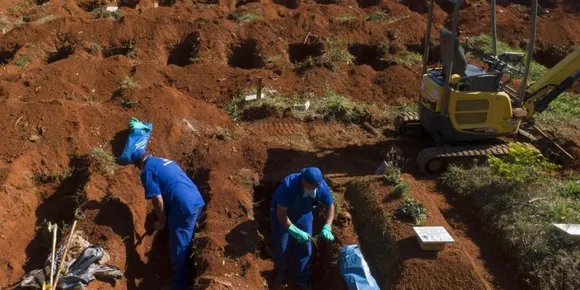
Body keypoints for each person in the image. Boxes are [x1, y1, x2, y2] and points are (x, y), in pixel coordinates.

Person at [132, 146, 205, 290]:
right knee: (186, 234)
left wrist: (162, 221)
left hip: (184, 207)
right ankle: (190, 257)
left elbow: (157, 200)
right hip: (196, 199)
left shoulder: (147, 171)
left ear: (137, 165)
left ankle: (180, 284)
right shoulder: (163, 161)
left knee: (177, 246)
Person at [270, 167, 335, 290]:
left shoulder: (321, 187)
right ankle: (281, 272)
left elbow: (330, 207)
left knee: (306, 248)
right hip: (284, 215)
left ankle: (302, 278)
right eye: (311, 187)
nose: (313, 190)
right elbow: (280, 213)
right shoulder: (288, 185)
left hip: (304, 215)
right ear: (303, 181)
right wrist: (293, 230)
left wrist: (328, 226)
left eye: (315, 187)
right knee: (282, 246)